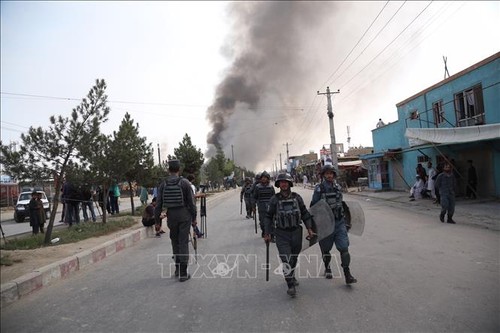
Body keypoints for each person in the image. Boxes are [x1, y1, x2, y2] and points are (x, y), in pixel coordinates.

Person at [263, 173, 314, 297]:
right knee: (286, 258)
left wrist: (309, 228)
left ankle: (291, 275)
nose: (284, 184)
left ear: (290, 183)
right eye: (281, 182)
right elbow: (268, 217)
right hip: (281, 233)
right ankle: (290, 284)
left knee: (294, 258)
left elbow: (305, 214)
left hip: (296, 232)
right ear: (278, 185)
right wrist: (267, 232)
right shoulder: (274, 200)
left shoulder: (297, 198)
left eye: (285, 182)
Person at [311, 164, 357, 284]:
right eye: (327, 173)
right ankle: (327, 268)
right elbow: (313, 206)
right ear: (323, 175)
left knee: (344, 248)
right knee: (326, 250)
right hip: (325, 225)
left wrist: (347, 220)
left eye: (331, 173)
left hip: (339, 222)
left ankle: (347, 274)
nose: (329, 175)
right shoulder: (319, 189)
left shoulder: (337, 187)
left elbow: (341, 203)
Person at [155, 159, 197, 282]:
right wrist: (194, 218)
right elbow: (192, 203)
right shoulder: (184, 183)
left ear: (168, 170)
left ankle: (177, 268)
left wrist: (157, 222)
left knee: (174, 241)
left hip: (171, 216)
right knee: (183, 242)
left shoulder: (163, 184)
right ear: (179, 170)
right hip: (184, 216)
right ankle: (183, 273)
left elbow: (158, 205)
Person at [253, 171, 275, 239]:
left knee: (272, 222)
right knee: (262, 222)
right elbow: (254, 197)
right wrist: (253, 206)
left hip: (270, 206)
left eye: (265, 177)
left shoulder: (271, 187)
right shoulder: (257, 187)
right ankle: (264, 231)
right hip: (261, 207)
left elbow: (274, 197)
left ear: (268, 178)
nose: (264, 179)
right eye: (262, 177)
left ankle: (272, 235)